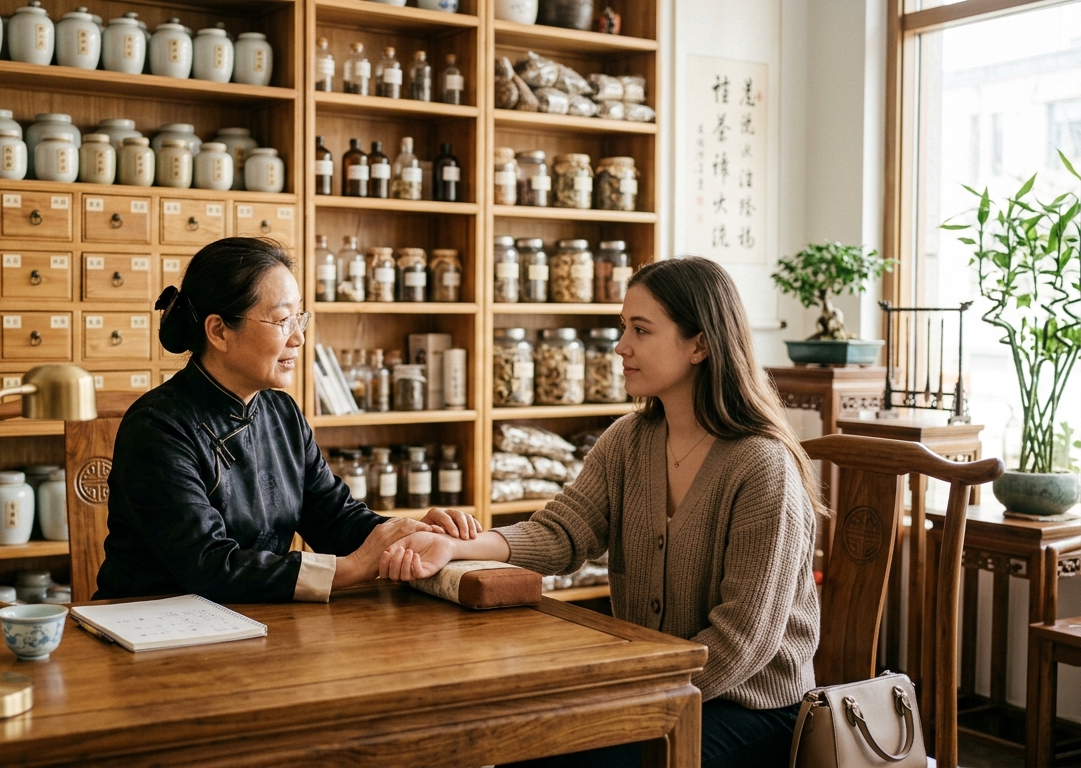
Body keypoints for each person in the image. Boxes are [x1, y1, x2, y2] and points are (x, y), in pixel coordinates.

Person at [380, 257, 824, 767]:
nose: (620, 346)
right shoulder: (628, 440)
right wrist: (458, 546)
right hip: (655, 688)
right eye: (622, 328)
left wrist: (627, 699)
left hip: (753, 709)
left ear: (699, 344)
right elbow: (563, 532)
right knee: (519, 741)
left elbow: (741, 645)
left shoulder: (762, 466)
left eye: (640, 329)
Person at [95, 237, 478, 603]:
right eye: (283, 321)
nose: (299, 338)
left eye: (300, 319)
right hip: (155, 630)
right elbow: (209, 566)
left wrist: (407, 534)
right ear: (219, 330)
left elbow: (334, 518)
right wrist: (354, 567)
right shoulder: (157, 427)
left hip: (256, 620)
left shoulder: (282, 413)